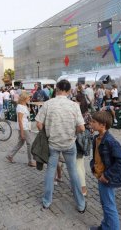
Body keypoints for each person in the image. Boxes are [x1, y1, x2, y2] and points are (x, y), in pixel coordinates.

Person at [35, 79, 86, 212]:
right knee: (73, 172)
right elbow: (81, 128)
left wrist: (48, 132)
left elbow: (39, 124)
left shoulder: (48, 104)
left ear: (56, 89)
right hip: (69, 143)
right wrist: (72, 132)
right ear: (69, 91)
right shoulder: (74, 105)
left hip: (53, 143)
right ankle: (81, 204)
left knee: (50, 172)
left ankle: (47, 201)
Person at [89, 111, 121, 230]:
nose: (91, 123)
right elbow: (97, 156)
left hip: (107, 179)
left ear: (103, 125)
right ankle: (106, 226)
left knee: (109, 207)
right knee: (105, 204)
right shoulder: (97, 138)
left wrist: (107, 175)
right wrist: (93, 166)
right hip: (101, 176)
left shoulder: (110, 141)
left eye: (94, 122)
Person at [6, 92, 36, 167]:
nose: (29, 99)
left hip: (26, 126)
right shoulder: (20, 107)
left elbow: (26, 117)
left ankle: (10, 155)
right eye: (28, 97)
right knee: (29, 143)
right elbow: (20, 120)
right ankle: (30, 161)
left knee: (21, 142)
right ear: (24, 98)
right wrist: (22, 132)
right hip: (23, 127)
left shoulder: (24, 105)